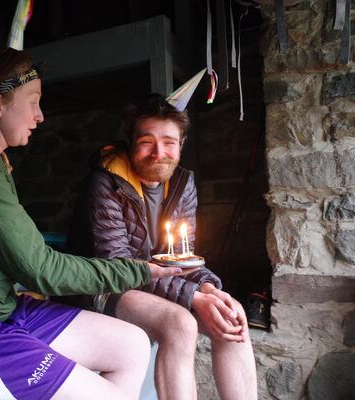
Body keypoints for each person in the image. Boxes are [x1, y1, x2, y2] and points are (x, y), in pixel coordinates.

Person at [0, 48, 184, 400]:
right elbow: (41, 269)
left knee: (131, 344)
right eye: (34, 101)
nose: (41, 116)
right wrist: (140, 271)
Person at [65, 94, 258, 400]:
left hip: (154, 284)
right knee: (179, 323)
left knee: (232, 313)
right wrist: (192, 297)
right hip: (102, 288)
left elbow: (181, 256)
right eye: (147, 141)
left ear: (181, 145)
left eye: (169, 142)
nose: (159, 152)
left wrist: (209, 289)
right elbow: (119, 268)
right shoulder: (104, 184)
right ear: (131, 143)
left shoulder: (182, 183)